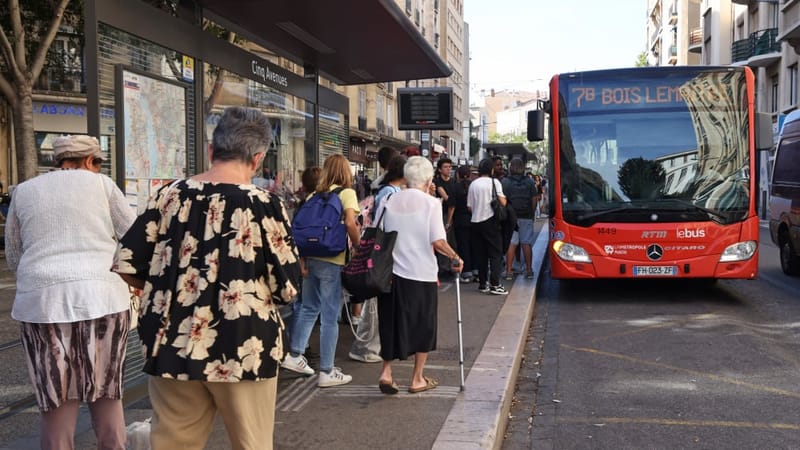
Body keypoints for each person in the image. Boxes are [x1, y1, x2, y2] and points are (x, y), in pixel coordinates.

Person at [112, 106, 301, 449]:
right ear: (257, 158)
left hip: (173, 343)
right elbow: (287, 287)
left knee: (172, 443)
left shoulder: (169, 196)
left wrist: (171, 290)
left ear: (212, 151)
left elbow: (128, 262)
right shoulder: (264, 204)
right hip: (245, 346)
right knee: (251, 443)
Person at [5, 134, 136, 450]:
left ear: (57, 161)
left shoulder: (23, 191)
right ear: (91, 161)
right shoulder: (102, 185)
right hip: (103, 299)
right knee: (106, 390)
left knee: (56, 396)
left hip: (42, 303)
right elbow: (134, 236)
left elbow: (13, 252)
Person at [373, 156, 463, 395]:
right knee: (423, 324)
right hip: (420, 273)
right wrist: (455, 256)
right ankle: (417, 378)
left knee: (391, 322)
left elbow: (376, 231)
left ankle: (386, 372)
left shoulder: (389, 199)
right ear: (427, 179)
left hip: (389, 274)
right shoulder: (431, 204)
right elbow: (437, 240)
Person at [282, 153, 360, 387]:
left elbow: (303, 229)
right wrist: (358, 246)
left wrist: (302, 261)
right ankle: (326, 370)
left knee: (308, 307)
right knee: (329, 316)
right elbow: (350, 223)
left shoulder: (314, 195)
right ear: (346, 172)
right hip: (332, 258)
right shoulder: (347, 193)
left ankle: (295, 355)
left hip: (310, 257)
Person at [349, 154, 407, 363]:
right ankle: (365, 346)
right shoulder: (390, 193)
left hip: (382, 249)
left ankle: (369, 345)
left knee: (376, 302)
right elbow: (386, 223)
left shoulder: (388, 190)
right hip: (383, 251)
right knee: (375, 303)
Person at [468, 158, 508, 295]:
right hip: (490, 221)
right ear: (491, 170)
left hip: (475, 222)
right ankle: (495, 284)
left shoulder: (473, 184)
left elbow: (469, 206)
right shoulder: (494, 182)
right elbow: (502, 202)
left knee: (481, 254)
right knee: (495, 253)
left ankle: (482, 284)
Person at [502, 159, 538, 280]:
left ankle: (508, 271)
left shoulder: (506, 182)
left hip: (511, 217)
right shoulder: (529, 182)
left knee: (512, 243)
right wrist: (532, 213)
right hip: (526, 216)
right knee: (526, 243)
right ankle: (529, 270)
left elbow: (503, 200)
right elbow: (534, 199)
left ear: (511, 167)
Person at [452, 164, 476, 283]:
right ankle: (476, 270)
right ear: (470, 174)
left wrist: (448, 221)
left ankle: (466, 272)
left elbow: (452, 205)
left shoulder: (455, 187)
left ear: (458, 175)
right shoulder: (473, 186)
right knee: (474, 246)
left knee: (463, 246)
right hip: (473, 219)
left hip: (460, 220)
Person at [433, 157, 457, 277]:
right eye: (445, 167)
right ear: (440, 169)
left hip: (452, 214)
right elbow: (448, 199)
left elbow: (452, 202)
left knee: (451, 241)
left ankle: (450, 265)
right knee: (442, 239)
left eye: (449, 167)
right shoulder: (437, 182)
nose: (448, 169)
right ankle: (443, 267)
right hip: (441, 214)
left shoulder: (453, 181)